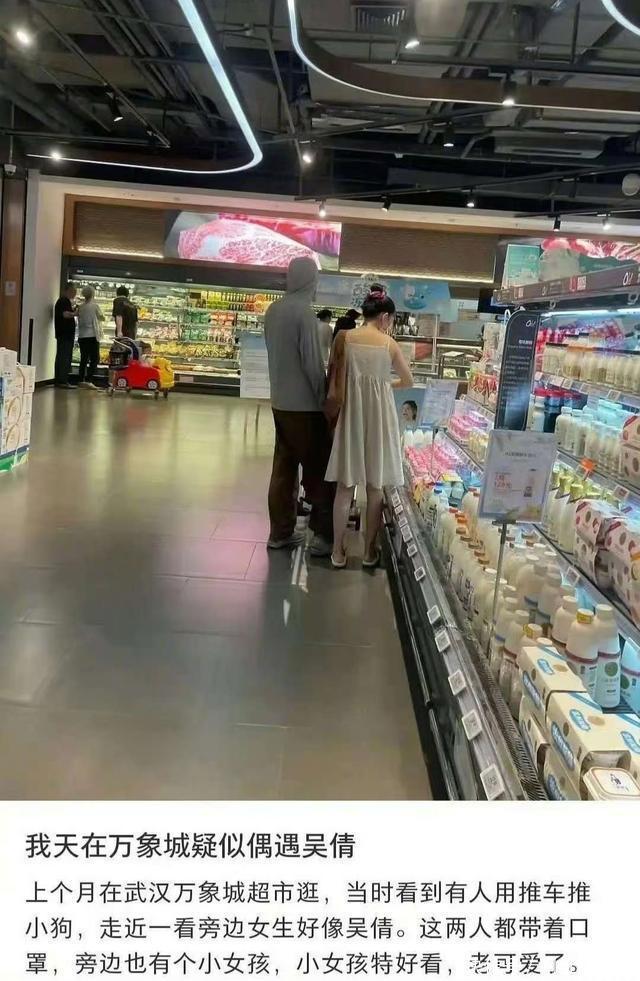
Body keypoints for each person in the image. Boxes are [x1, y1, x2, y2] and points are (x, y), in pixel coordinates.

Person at [325, 287, 413, 569]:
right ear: (385, 317)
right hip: (379, 418)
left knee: (344, 487)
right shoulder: (389, 344)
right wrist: (384, 385)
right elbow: (408, 380)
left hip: (351, 414)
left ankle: (337, 552)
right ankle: (368, 552)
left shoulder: (346, 338)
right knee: (375, 487)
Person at [264, 256, 334, 555]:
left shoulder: (273, 310)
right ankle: (321, 536)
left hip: (280, 403)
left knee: (283, 469)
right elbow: (312, 365)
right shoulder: (303, 314)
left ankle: (280, 532)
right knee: (318, 471)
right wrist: (324, 400)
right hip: (304, 408)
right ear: (310, 281)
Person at [76, 285, 104, 389]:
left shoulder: (81, 307)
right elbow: (102, 317)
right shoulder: (95, 306)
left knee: (83, 358)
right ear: (93, 294)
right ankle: (89, 380)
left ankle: (80, 380)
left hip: (82, 335)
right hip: (92, 335)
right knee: (94, 358)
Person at [53, 283, 78, 389]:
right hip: (65, 334)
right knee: (65, 357)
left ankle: (59, 380)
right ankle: (63, 381)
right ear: (68, 290)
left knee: (61, 356)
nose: (75, 293)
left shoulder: (63, 301)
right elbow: (65, 314)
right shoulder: (64, 301)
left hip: (63, 334)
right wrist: (75, 313)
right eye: (74, 291)